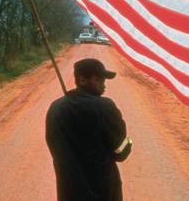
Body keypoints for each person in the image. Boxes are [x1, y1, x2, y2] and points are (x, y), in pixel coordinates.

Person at [46, 58, 132, 201]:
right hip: (103, 192)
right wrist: (128, 141)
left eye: (104, 81)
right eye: (98, 80)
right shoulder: (104, 106)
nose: (104, 85)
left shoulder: (55, 108)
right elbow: (121, 152)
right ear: (82, 80)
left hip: (69, 192)